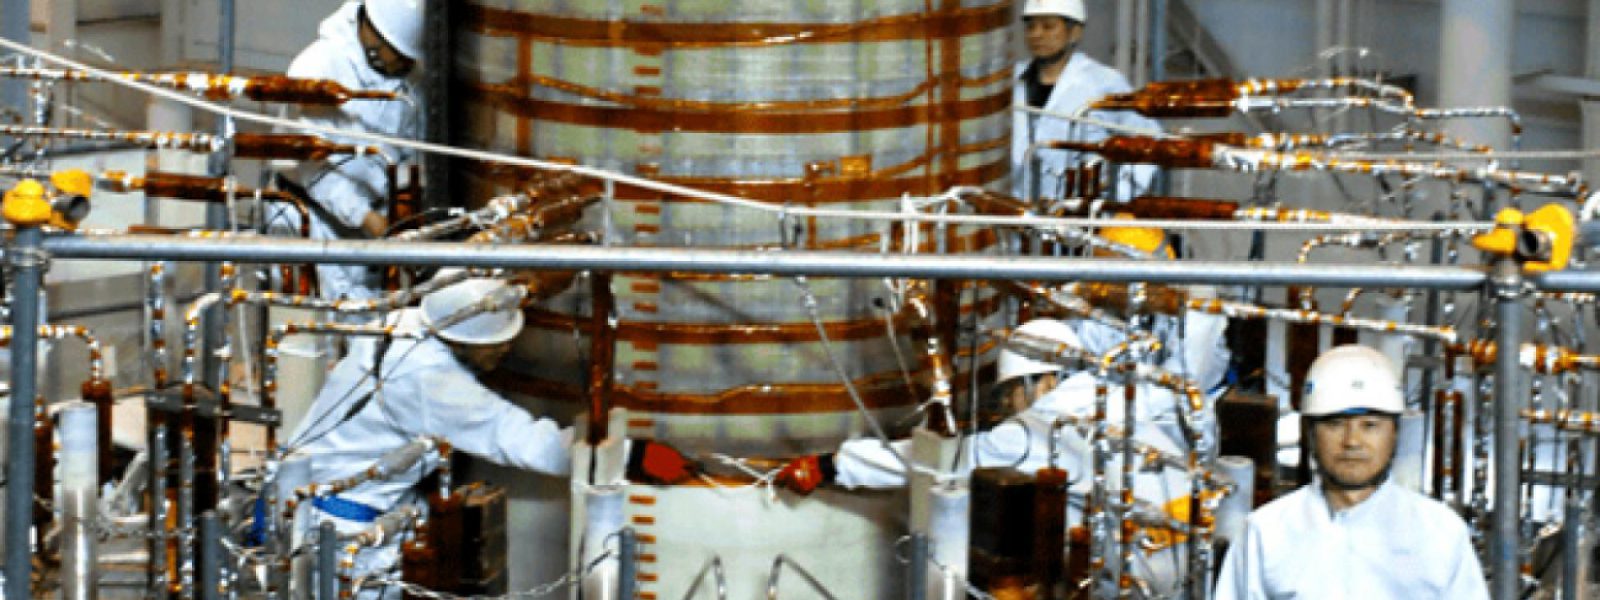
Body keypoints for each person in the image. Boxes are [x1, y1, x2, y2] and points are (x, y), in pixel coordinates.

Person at [284, 276, 695, 597]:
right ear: (467, 342)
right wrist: (630, 453)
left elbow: (476, 298)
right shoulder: (435, 386)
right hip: (345, 528)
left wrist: (529, 285)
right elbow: (530, 444)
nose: (505, 353)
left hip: (304, 490)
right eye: (497, 346)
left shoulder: (407, 322)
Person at [773, 314, 1228, 597]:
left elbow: (935, 459)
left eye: (1012, 394)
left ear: (1042, 382)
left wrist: (835, 464)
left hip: (1129, 568)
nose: (1009, 407)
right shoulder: (1138, 395)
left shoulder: (1033, 430)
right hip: (1194, 561)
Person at [1215, 345, 1489, 600]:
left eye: (1369, 425)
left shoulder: (1440, 534)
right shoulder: (1266, 533)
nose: (1352, 441)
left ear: (1394, 433)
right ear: (1311, 433)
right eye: (1335, 424)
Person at [275, 0, 423, 301]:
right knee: (313, 336)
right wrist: (369, 220)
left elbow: (413, 148)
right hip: (311, 218)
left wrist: (406, 212)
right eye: (401, 58)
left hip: (373, 223)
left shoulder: (407, 78)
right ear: (375, 36)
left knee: (369, 328)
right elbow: (315, 170)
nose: (404, 67)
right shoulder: (317, 70)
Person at [1012, 0, 1161, 203]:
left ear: (1075, 32)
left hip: (1081, 215)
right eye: (1031, 27)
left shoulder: (1104, 82)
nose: (1037, 34)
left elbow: (1149, 142)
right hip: (1015, 214)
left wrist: (1121, 195)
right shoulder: (1009, 83)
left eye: (1048, 26)